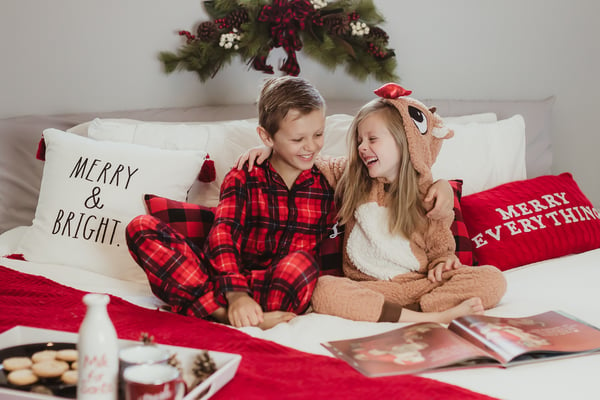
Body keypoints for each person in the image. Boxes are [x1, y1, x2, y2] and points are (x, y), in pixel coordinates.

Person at [126, 77, 454, 330]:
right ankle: (224, 314)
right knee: (140, 228)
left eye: (319, 135)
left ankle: (229, 310)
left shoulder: (331, 179)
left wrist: (442, 186)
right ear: (267, 137)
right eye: (298, 139)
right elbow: (222, 235)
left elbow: (391, 172)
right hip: (226, 281)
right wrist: (236, 294)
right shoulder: (244, 176)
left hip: (282, 286)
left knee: (301, 264)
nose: (310, 147)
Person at [241, 83, 507, 325]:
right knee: (323, 290)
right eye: (359, 140)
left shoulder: (428, 194)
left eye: (372, 139)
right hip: (371, 289)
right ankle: (431, 317)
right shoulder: (353, 177)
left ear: (405, 142)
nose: (362, 148)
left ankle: (421, 309)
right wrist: (273, 151)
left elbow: (441, 248)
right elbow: (312, 161)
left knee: (493, 278)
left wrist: (443, 264)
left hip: (421, 285)